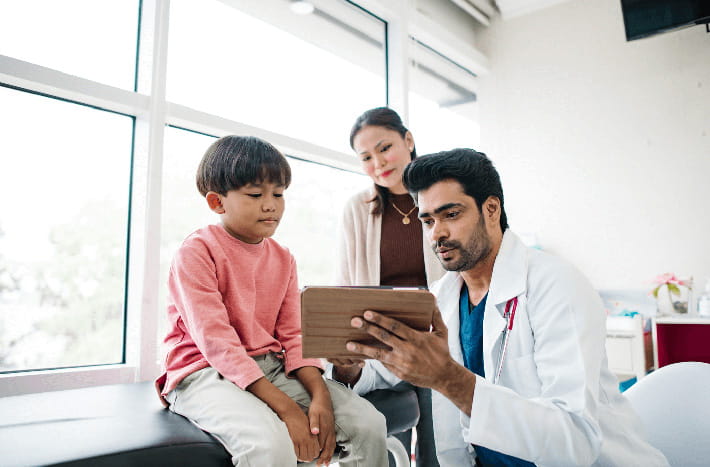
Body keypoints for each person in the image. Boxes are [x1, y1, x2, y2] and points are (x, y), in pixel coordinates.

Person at [337, 149, 669, 466]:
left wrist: (449, 379)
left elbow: (575, 440)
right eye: (428, 221)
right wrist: (349, 366)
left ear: (491, 209)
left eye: (451, 214)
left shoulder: (556, 286)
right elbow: (379, 367)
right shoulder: (440, 298)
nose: (437, 233)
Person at [155, 135, 388, 466]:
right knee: (271, 445)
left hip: (268, 365)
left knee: (368, 424)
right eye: (255, 195)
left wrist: (320, 395)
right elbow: (217, 342)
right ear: (216, 202)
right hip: (201, 372)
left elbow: (293, 335)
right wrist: (288, 409)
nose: (271, 204)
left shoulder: (283, 258)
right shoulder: (197, 251)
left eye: (278, 194)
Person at [330, 107, 445, 466]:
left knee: (437, 429)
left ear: (408, 141)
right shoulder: (356, 209)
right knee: (386, 446)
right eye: (366, 157)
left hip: (436, 339)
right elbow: (345, 286)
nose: (378, 162)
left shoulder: (440, 202)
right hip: (381, 344)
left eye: (384, 148)